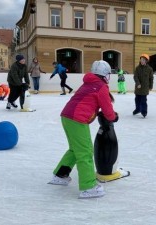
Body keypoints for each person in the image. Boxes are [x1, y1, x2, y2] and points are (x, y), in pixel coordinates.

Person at [48, 60, 118, 199]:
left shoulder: (88, 83)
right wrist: (113, 117)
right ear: (105, 74)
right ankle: (88, 187)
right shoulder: (101, 86)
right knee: (85, 152)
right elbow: (107, 109)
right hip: (77, 119)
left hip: (66, 116)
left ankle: (60, 175)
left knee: (75, 149)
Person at [133, 53, 154, 118]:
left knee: (143, 100)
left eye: (143, 60)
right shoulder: (137, 68)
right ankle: (138, 109)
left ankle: (144, 111)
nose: (142, 61)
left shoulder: (149, 69)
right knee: (137, 100)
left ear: (146, 61)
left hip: (145, 88)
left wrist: (151, 86)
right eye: (141, 59)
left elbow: (151, 78)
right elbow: (135, 77)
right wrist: (138, 83)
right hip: (138, 88)